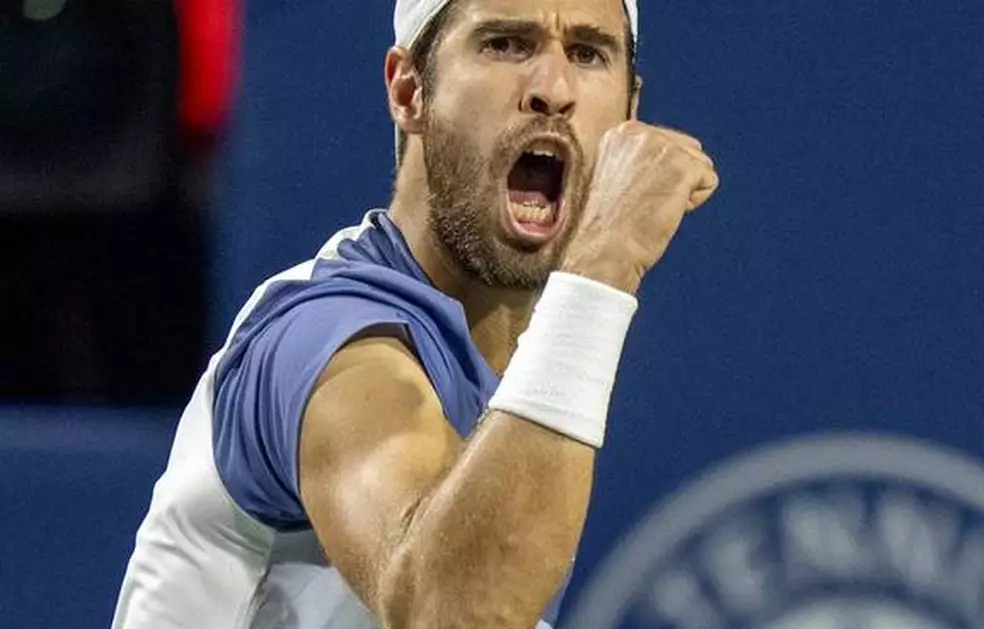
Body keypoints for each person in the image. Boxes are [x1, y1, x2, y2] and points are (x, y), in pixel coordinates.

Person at [110, 0, 718, 626]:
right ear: (409, 92)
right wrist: (602, 266)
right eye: (505, 44)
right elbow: (454, 614)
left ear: (629, 115)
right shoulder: (323, 336)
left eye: (588, 54)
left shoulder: (521, 389)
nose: (553, 90)